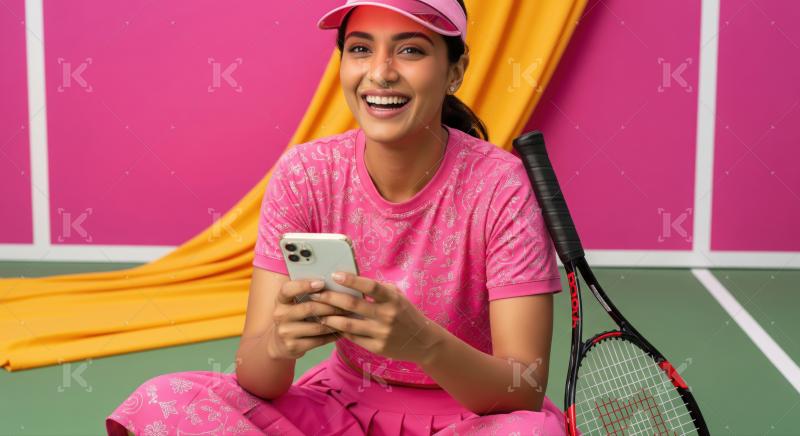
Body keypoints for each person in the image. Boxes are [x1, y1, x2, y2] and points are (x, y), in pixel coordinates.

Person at [105, 0, 569, 434]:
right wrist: (278, 345)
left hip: (473, 417)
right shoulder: (305, 173)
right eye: (361, 49)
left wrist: (423, 343)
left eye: (410, 50)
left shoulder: (502, 184)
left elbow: (522, 389)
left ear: (455, 71)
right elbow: (256, 375)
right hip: (336, 413)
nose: (380, 73)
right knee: (166, 399)